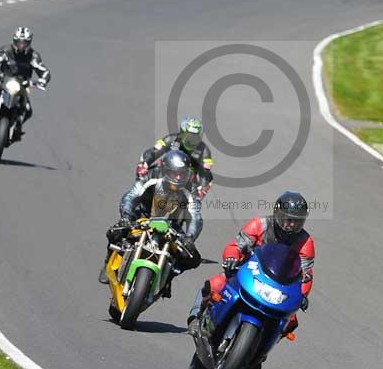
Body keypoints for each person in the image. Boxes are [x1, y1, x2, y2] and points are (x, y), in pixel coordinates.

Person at [187, 191, 315, 339]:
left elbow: (306, 272)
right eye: (288, 219)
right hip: (247, 272)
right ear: (278, 214)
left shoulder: (305, 242)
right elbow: (236, 245)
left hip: (279, 285)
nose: (292, 225)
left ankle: (264, 345)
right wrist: (231, 257)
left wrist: (303, 294)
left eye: (297, 221)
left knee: (290, 320)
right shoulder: (260, 224)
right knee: (215, 284)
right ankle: (196, 317)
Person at [99, 149, 202, 288]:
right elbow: (131, 195)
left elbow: (195, 216)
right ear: (165, 170)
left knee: (192, 258)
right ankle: (107, 262)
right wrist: (126, 216)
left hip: (171, 225)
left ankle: (168, 277)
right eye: (174, 173)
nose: (178, 178)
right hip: (143, 215)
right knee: (115, 232)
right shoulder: (152, 175)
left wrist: (189, 238)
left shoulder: (190, 188)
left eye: (182, 174)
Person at [0, 27, 50, 138]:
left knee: (28, 110)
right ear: (14, 40)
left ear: (29, 42)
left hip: (22, 85)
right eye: (19, 42)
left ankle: (17, 126)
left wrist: (42, 81)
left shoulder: (33, 56)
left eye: (24, 43)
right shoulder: (6, 51)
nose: (21, 45)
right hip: (2, 81)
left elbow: (44, 71)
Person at [133, 116, 213, 200]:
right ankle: (134, 197)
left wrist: (202, 188)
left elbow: (205, 172)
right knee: (146, 176)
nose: (192, 140)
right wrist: (144, 164)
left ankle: (188, 206)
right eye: (189, 136)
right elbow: (155, 151)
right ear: (182, 133)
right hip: (166, 170)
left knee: (195, 199)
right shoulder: (171, 139)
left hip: (187, 178)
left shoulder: (204, 150)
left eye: (195, 137)